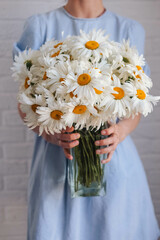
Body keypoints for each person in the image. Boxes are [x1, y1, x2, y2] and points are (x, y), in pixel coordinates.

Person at [12, 0, 160, 239]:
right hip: (56, 166)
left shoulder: (130, 30)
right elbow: (25, 104)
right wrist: (50, 133)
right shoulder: (39, 26)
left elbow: (135, 106)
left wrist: (120, 131)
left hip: (112, 165)